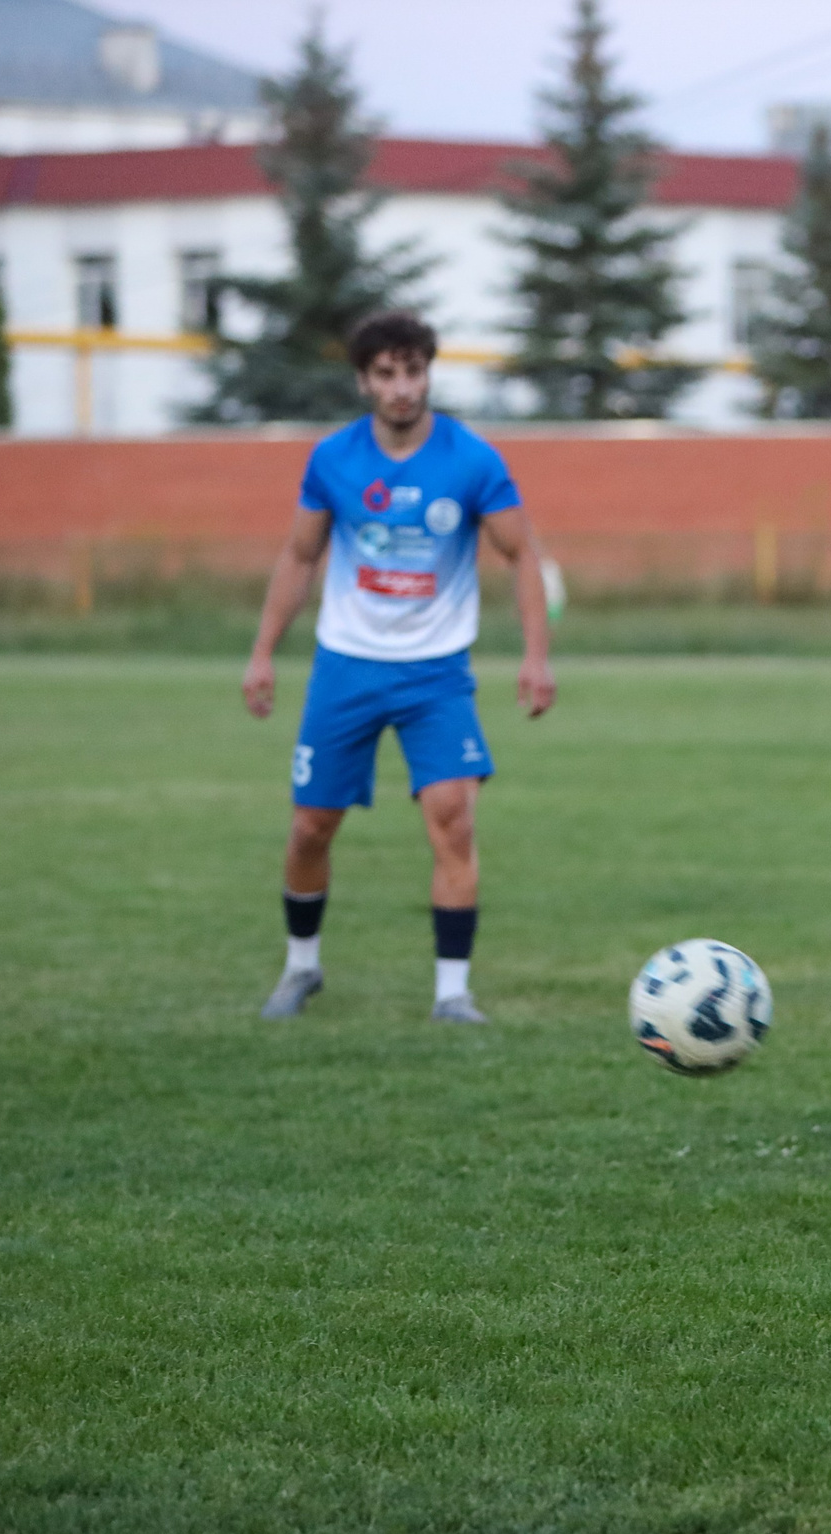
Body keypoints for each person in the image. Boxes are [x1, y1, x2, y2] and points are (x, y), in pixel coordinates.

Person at [241, 311, 555, 1022]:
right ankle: (301, 968)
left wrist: (537, 658)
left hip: (436, 673)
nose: (402, 387)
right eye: (386, 373)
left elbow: (522, 554)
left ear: (428, 374)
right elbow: (298, 557)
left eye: (413, 371)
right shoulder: (333, 460)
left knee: (454, 819)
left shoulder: (472, 460)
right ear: (364, 381)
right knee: (311, 827)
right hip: (346, 667)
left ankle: (453, 993)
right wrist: (263, 652)